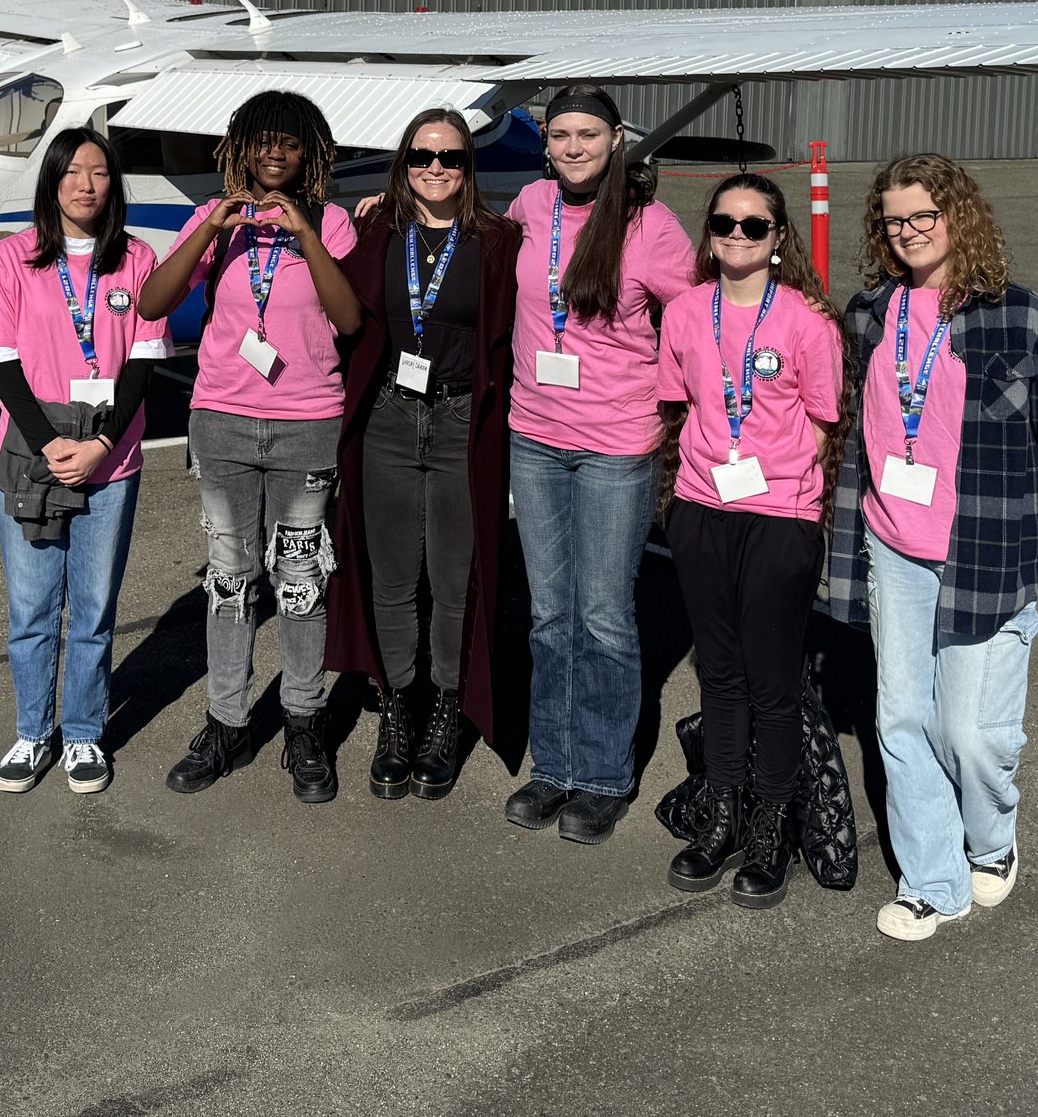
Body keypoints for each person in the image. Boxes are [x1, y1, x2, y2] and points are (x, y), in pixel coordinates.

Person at [822, 152, 1038, 942]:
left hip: (986, 550)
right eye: (894, 221)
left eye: (923, 217)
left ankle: (993, 844)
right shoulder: (868, 315)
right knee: (901, 718)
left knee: (973, 735)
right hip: (893, 545)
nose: (908, 233)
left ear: (958, 216)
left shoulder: (1028, 318)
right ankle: (933, 880)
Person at [137, 89, 362, 803]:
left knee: (299, 584)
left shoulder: (332, 221)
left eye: (290, 143)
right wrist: (211, 231)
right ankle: (228, 721)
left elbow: (349, 316)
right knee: (230, 581)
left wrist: (304, 233)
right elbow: (152, 301)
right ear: (240, 145)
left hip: (306, 422)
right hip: (224, 420)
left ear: (310, 154)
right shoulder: (214, 219)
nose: (275, 152)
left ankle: (303, 719)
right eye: (263, 140)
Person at [501, 86, 696, 845]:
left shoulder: (651, 226)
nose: (573, 147)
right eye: (560, 135)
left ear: (618, 139)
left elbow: (702, 313)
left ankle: (605, 773)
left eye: (588, 134)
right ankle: (553, 762)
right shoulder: (530, 204)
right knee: (549, 613)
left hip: (616, 443)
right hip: (535, 436)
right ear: (545, 142)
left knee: (604, 615)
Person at [654, 173, 844, 906]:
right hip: (704, 509)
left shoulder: (805, 321)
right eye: (725, 223)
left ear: (778, 238)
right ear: (709, 232)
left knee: (771, 681)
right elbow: (682, 403)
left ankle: (771, 823)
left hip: (781, 518)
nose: (737, 235)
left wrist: (789, 498)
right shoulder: (684, 312)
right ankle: (723, 809)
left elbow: (825, 420)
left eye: (754, 225)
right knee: (719, 673)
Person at [326, 109, 521, 801]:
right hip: (387, 416)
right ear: (401, 163)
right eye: (421, 156)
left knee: (451, 575)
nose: (435, 168)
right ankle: (398, 706)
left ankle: (446, 706)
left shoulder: (498, 241)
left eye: (451, 158)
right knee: (390, 576)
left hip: (459, 418)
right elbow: (338, 304)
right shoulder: (380, 229)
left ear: (470, 169)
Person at [0, 127, 169, 796]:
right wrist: (48, 441)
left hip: (110, 459)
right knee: (30, 607)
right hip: (30, 454)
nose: (86, 184)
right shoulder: (13, 257)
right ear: (51, 180)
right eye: (73, 171)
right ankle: (33, 731)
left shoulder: (137, 258)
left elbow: (143, 361)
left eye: (100, 172)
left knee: (92, 608)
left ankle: (83, 732)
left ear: (115, 184)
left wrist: (102, 442)